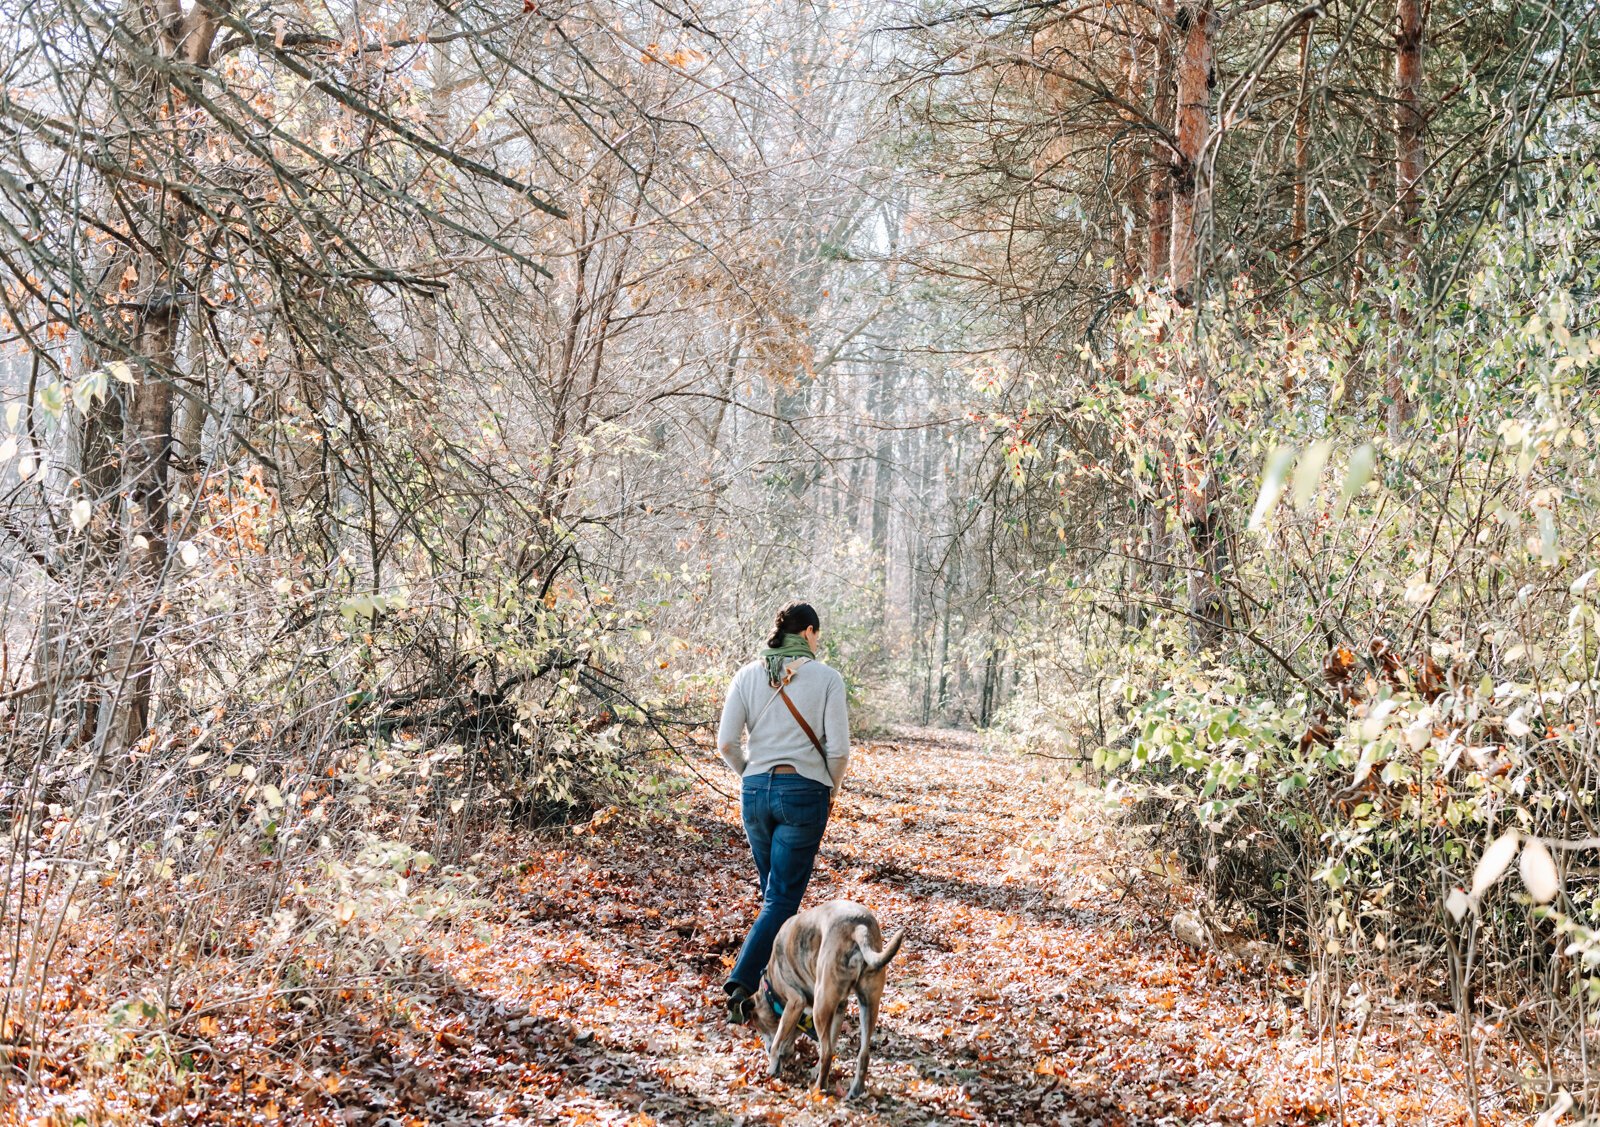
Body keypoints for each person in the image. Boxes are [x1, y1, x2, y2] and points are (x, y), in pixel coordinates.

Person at [716, 601, 850, 1023]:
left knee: (774, 897)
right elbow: (840, 749)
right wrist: (831, 787)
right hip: (803, 793)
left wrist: (750, 774)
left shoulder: (747, 674)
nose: (818, 642)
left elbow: (725, 743)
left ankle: (773, 991)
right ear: (808, 632)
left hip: (754, 793)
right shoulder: (827, 679)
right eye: (818, 635)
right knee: (780, 900)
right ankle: (741, 987)